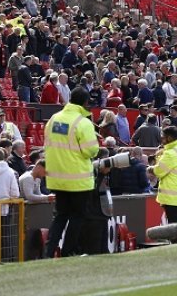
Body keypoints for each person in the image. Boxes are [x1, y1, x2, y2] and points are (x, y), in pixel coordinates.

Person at [44, 86, 100, 258]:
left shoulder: (54, 119)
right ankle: (68, 252)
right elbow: (90, 151)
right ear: (85, 102)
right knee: (77, 217)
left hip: (57, 179)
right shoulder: (83, 123)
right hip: (78, 180)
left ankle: (49, 251)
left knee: (60, 216)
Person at [149, 125, 177, 224]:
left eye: (163, 137)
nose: (161, 139)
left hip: (172, 196)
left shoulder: (170, 153)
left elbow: (159, 171)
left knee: (174, 228)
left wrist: (150, 168)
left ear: (169, 138)